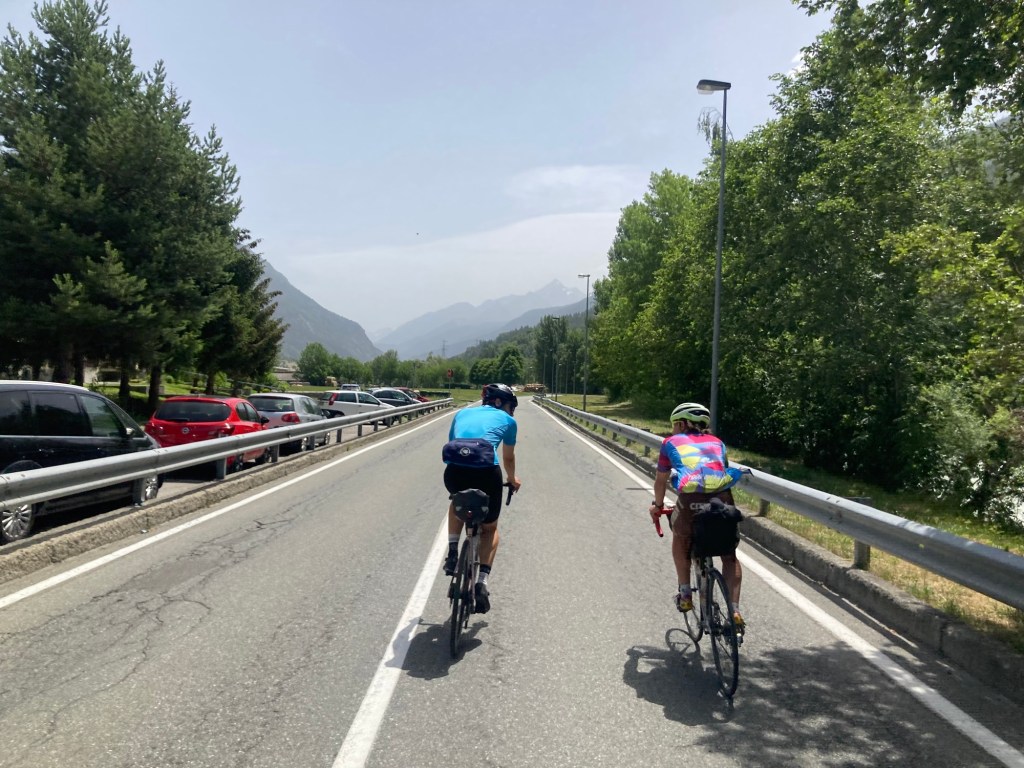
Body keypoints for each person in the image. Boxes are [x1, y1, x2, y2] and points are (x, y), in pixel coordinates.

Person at [648, 402, 746, 628]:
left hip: (691, 500)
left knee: (680, 536)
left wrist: (658, 506)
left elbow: (661, 481)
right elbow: (721, 469)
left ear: (682, 424)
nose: (672, 429)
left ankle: (685, 594)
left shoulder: (670, 443)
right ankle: (735, 611)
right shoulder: (718, 443)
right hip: (722, 498)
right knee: (729, 554)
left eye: (674, 424)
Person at [442, 382, 522, 614]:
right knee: (489, 529)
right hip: (487, 474)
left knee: (456, 502)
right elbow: (508, 458)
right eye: (510, 405)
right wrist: (513, 479)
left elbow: (452, 442)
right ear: (499, 402)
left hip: (454, 472)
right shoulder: (508, 421)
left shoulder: (462, 413)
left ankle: (453, 552)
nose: (511, 411)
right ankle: (481, 583)